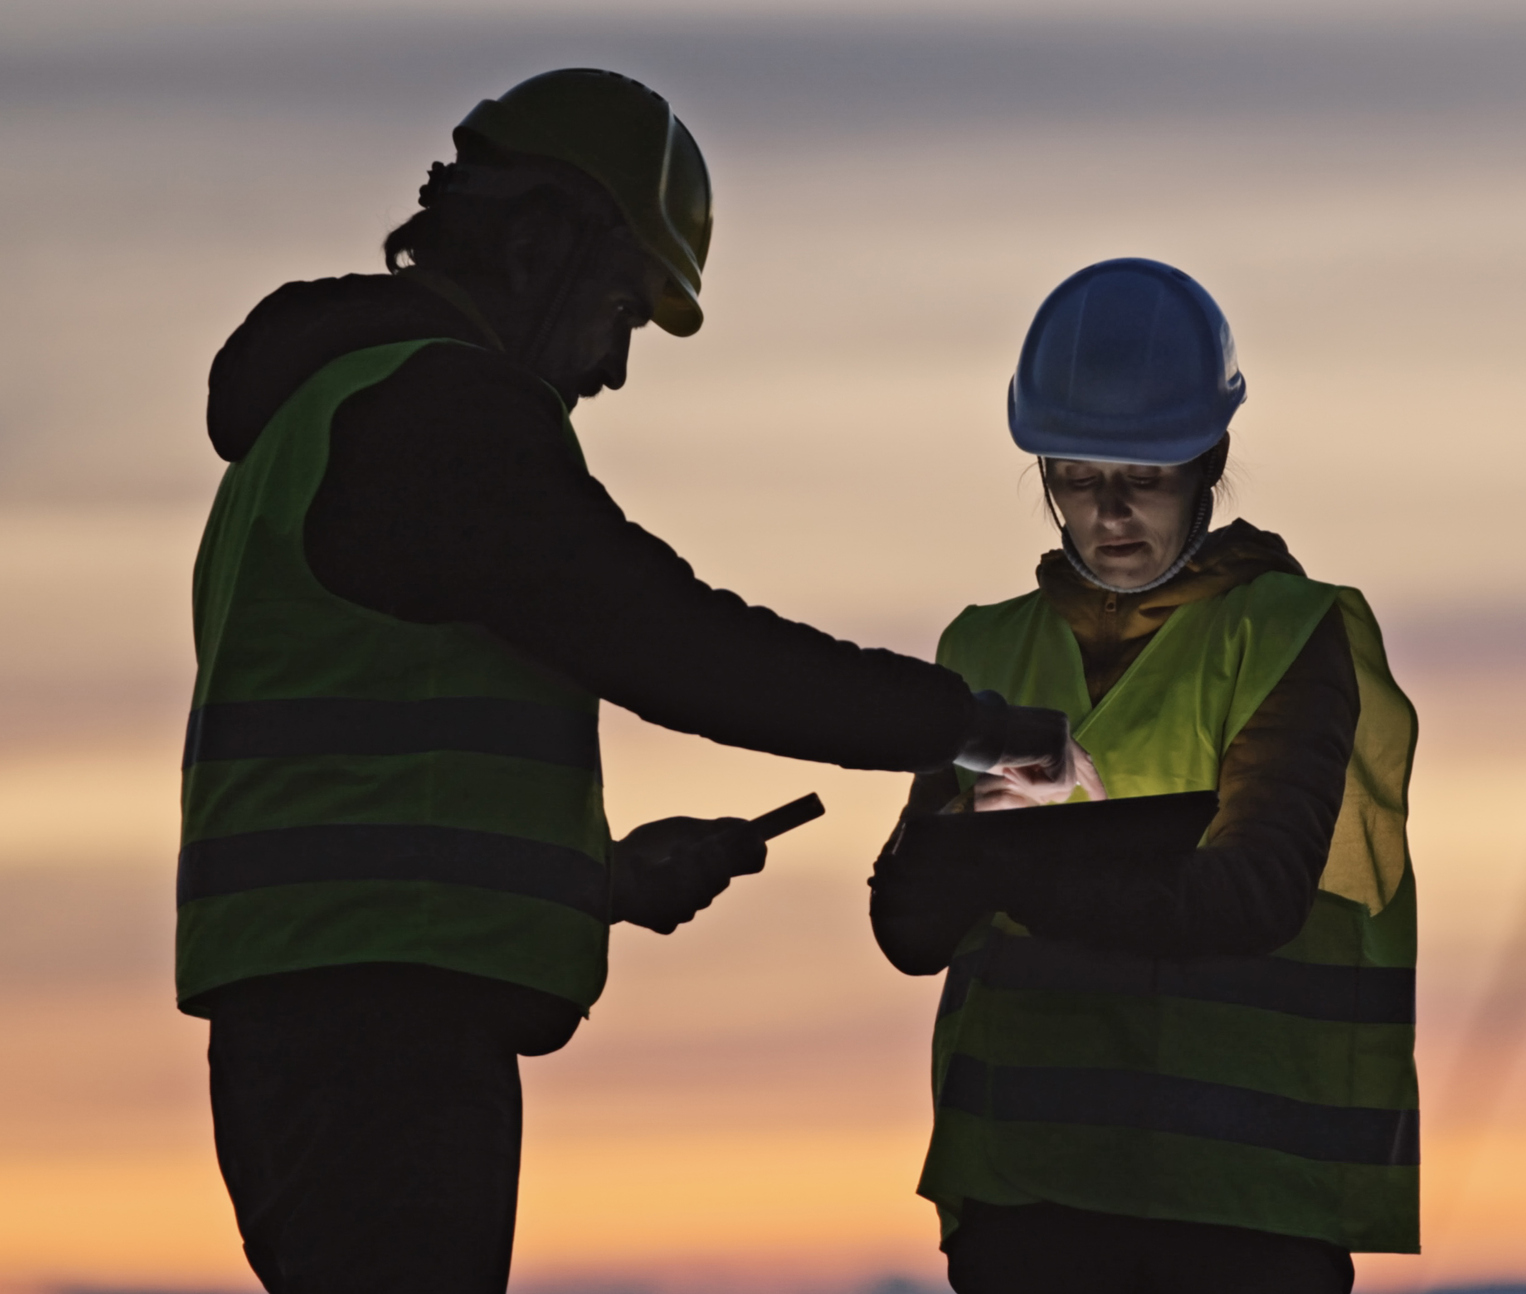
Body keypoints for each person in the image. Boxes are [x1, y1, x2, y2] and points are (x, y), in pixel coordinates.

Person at [182, 69, 1085, 1294]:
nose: (610, 367)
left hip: (315, 1023)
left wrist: (589, 882)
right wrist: (964, 727)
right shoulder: (437, 411)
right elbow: (674, 641)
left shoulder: (318, 421)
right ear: (542, 240)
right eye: (620, 306)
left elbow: (358, 791)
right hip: (380, 1041)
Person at [869, 258, 1420, 1294]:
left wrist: (1004, 869)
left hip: (1236, 1216)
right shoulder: (983, 651)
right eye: (1077, 479)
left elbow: (1255, 891)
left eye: (1146, 478)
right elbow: (912, 929)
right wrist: (943, 853)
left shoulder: (1285, 635)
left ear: (1211, 458)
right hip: (1028, 1211)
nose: (1111, 514)